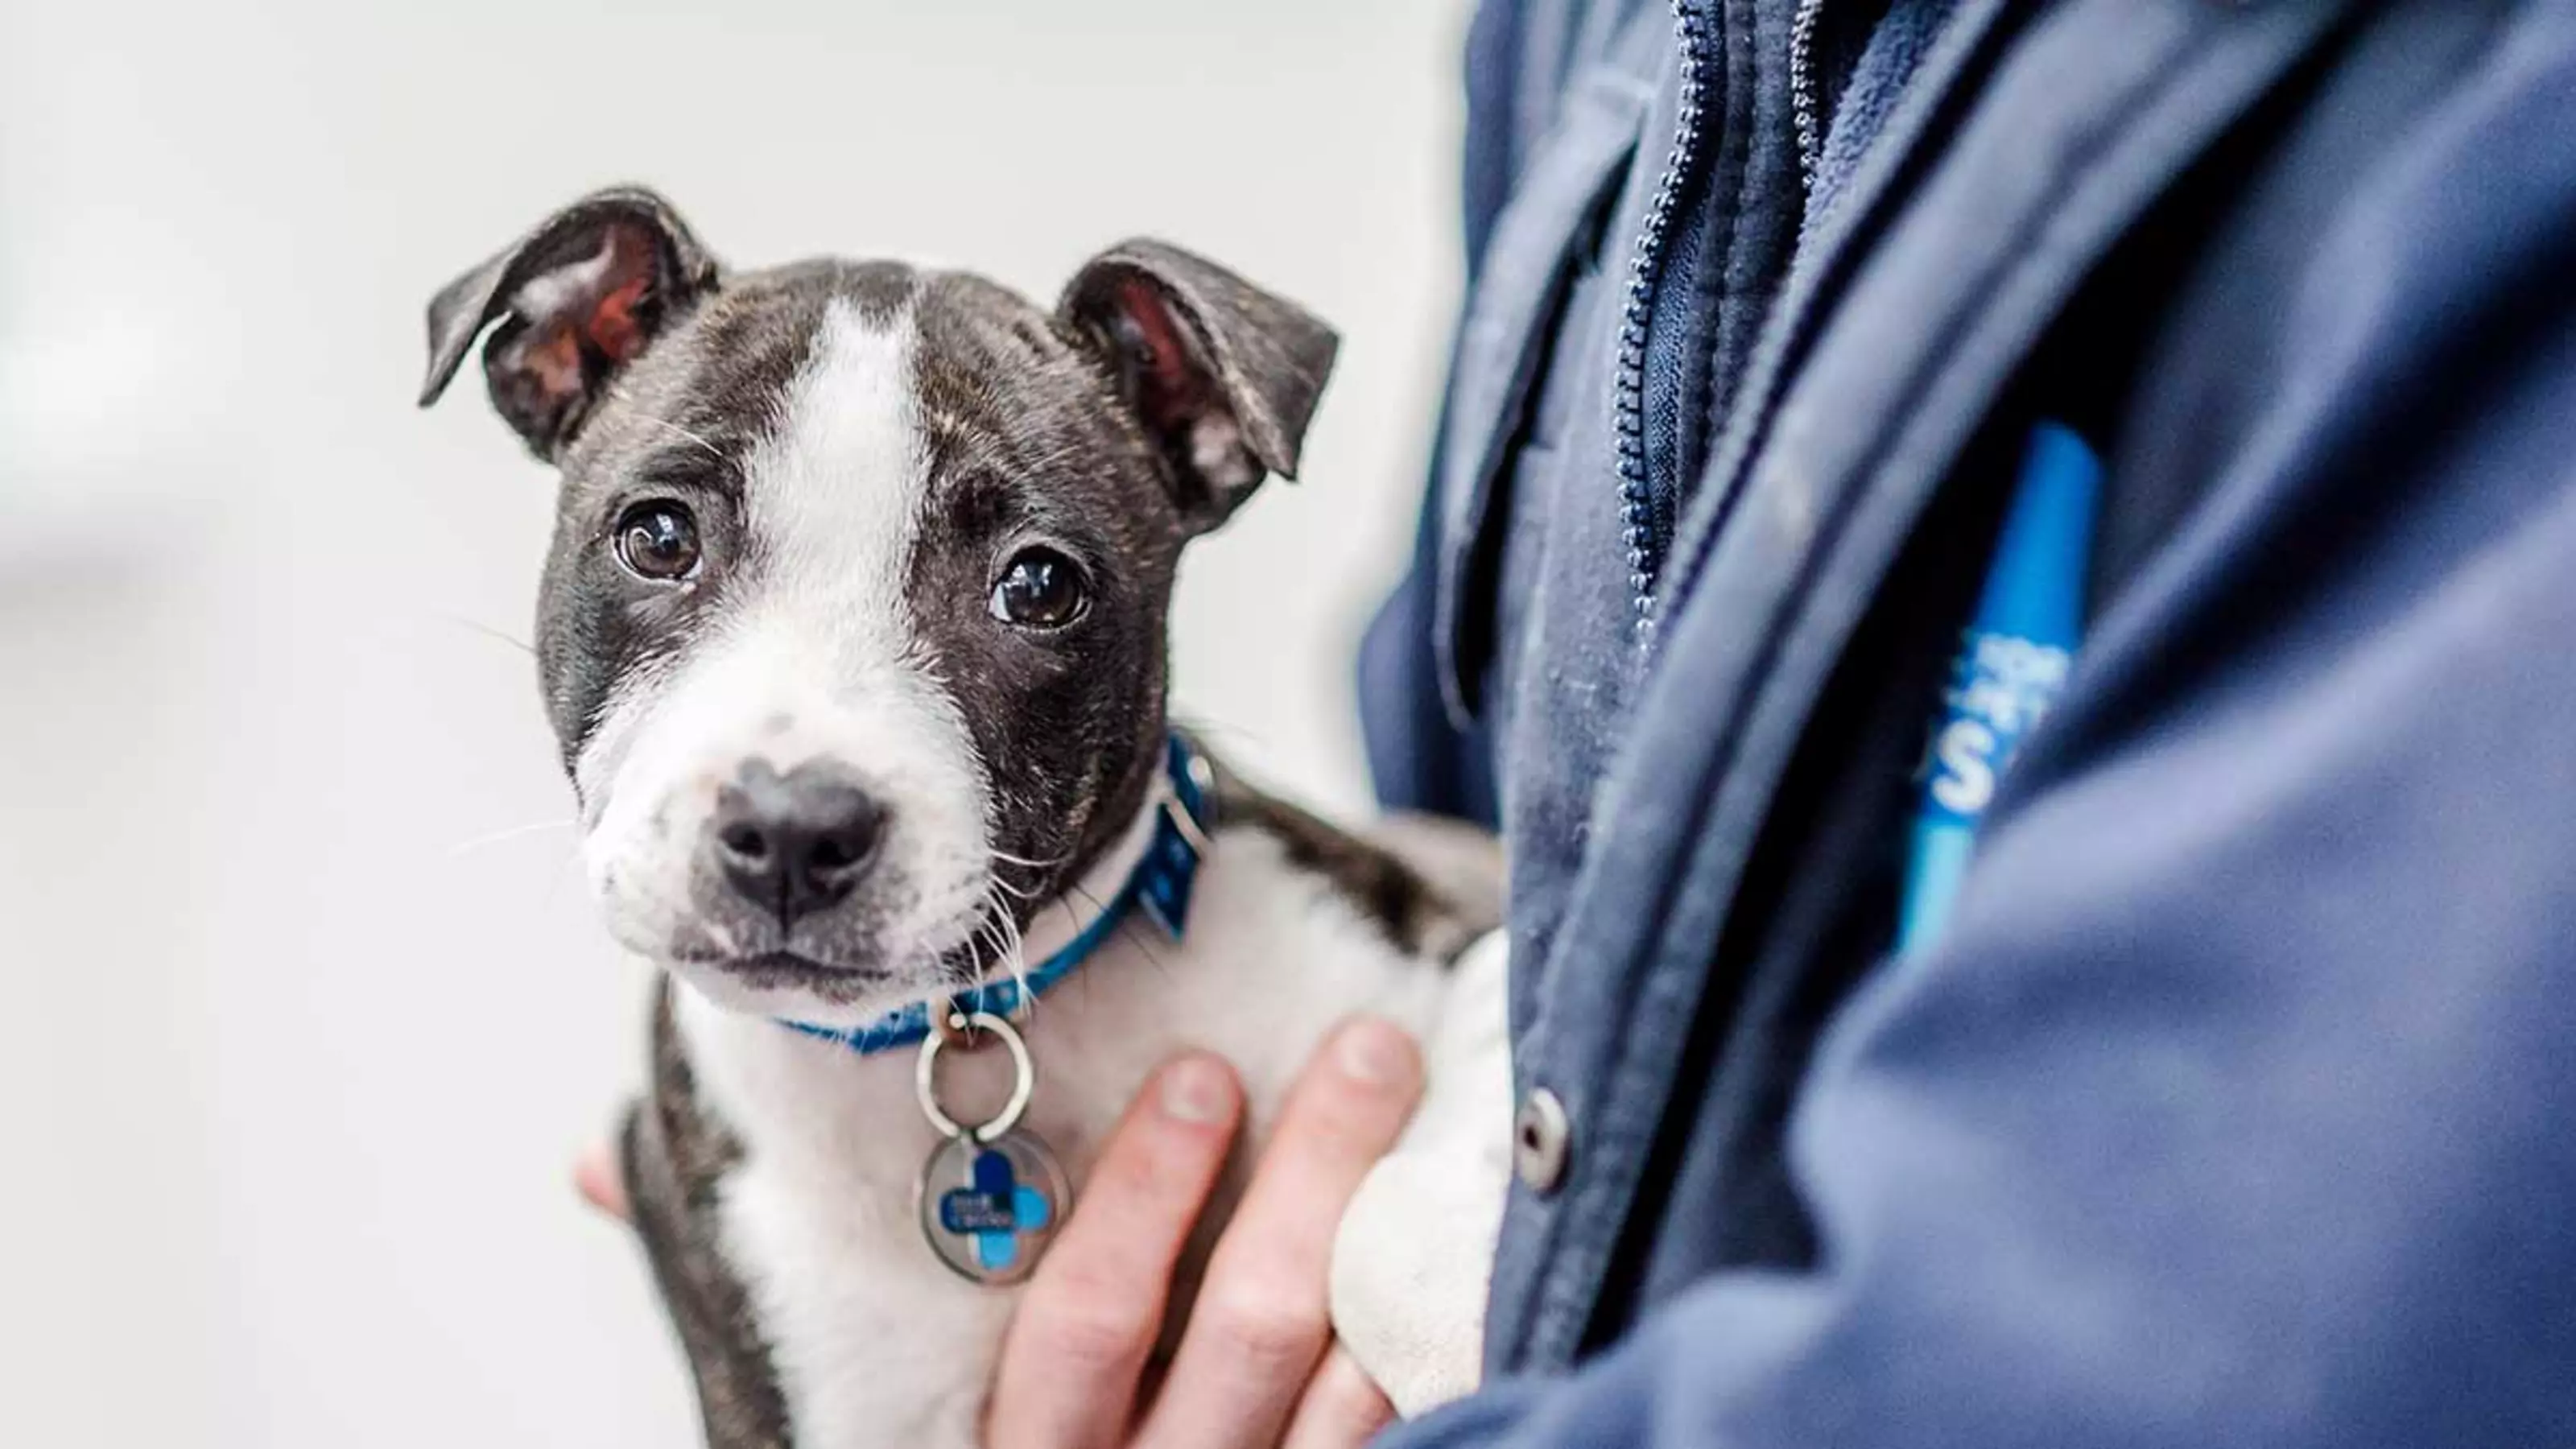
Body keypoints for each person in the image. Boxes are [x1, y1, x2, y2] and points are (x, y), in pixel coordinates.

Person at [588, 1, 2576, 1443]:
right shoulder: (1586, 40)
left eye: (1026, 589)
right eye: (667, 540)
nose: (794, 777)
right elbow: (1513, 805)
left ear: (1199, 435)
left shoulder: (2462, 117)